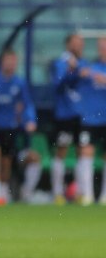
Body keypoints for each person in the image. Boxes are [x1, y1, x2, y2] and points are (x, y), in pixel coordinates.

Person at [0, 49, 39, 205]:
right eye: (8, 61)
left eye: (13, 61)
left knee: (6, 162)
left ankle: (3, 190)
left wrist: (30, 120)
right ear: (2, 62)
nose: (11, 64)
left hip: (10, 128)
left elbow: (27, 104)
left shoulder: (19, 83)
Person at [49, 33, 85, 204]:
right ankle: (57, 192)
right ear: (68, 44)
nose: (79, 46)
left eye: (81, 43)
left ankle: (80, 191)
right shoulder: (60, 63)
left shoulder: (84, 63)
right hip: (65, 115)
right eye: (76, 43)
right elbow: (58, 84)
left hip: (83, 115)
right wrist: (72, 71)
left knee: (82, 151)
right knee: (62, 150)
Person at [75, 37, 106, 205]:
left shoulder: (95, 71)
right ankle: (87, 194)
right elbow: (73, 76)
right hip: (90, 119)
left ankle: (104, 196)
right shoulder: (89, 68)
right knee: (86, 153)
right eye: (101, 46)